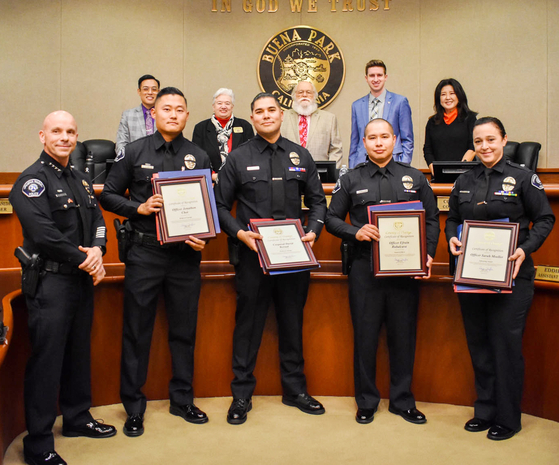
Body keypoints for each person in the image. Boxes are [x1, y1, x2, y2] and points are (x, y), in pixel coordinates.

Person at [100, 87, 211, 437]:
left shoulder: (200, 155)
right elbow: (109, 196)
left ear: (187, 115)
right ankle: (134, 408)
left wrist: (203, 237)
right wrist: (139, 208)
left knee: (184, 331)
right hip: (144, 252)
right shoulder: (134, 151)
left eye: (180, 109)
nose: (174, 114)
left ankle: (182, 399)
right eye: (167, 108)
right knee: (137, 331)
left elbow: (208, 207)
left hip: (183, 258)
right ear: (155, 113)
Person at [9, 111, 116, 465]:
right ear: (42, 136)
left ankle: (76, 417)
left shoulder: (81, 179)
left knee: (77, 353)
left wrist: (98, 250)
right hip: (51, 282)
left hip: (80, 281)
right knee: (47, 361)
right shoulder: (31, 181)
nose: (65, 137)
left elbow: (99, 221)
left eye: (70, 132)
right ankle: (38, 442)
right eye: (57, 131)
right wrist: (86, 259)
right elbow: (44, 235)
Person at [215, 93, 327, 425]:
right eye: (259, 111)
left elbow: (318, 202)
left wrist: (314, 231)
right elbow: (220, 207)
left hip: (294, 257)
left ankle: (295, 390)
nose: (266, 116)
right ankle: (241, 396)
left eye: (271, 110)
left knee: (292, 323)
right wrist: (239, 233)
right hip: (253, 256)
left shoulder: (300, 154)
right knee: (247, 326)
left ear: (281, 114)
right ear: (252, 118)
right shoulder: (237, 158)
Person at [445, 117, 555, 440]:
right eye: (478, 142)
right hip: (472, 276)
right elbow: (452, 218)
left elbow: (545, 220)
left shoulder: (523, 178)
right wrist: (452, 238)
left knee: (505, 346)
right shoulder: (464, 180)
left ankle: (508, 418)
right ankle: (485, 410)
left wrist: (525, 248)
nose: (485, 147)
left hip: (513, 276)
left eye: (491, 140)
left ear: (504, 140)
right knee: (478, 344)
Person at [326, 118, 439, 425]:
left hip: (405, 272)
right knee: (365, 338)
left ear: (394, 140)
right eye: (372, 137)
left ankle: (403, 401)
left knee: (403, 337)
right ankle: (366, 401)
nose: (378, 142)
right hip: (365, 269)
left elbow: (431, 219)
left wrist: (428, 253)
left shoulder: (414, 178)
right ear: (364, 143)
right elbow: (331, 218)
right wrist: (355, 231)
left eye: (384, 137)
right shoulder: (351, 179)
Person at [349, 60, 414, 168]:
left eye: (379, 75)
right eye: (372, 75)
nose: (375, 79)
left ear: (385, 77)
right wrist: (352, 169)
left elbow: (407, 139)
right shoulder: (357, 105)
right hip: (363, 164)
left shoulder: (400, 102)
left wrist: (403, 166)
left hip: (393, 163)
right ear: (366, 78)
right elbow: (354, 142)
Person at [192, 88, 254, 180]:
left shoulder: (245, 127)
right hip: (211, 182)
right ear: (213, 106)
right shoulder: (201, 128)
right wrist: (212, 176)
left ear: (232, 106)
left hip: (240, 182)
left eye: (227, 103)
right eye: (219, 103)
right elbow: (197, 158)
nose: (223, 106)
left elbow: (251, 156)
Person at [281, 80, 343, 167]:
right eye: (300, 92)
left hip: (319, 175)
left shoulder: (329, 119)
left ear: (315, 96)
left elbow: (336, 150)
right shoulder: (282, 117)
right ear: (294, 96)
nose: (304, 95)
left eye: (309, 92)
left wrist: (330, 174)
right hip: (289, 173)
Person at [423, 78, 477, 175]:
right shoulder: (432, 122)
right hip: (439, 175)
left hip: (465, 175)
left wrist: (460, 171)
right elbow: (427, 150)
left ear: (459, 96)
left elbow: (473, 147)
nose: (448, 98)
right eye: (443, 94)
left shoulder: (470, 119)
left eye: (452, 93)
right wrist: (435, 171)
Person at [116, 74, 160, 154]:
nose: (150, 92)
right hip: (134, 163)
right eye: (146, 89)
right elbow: (121, 145)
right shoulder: (128, 115)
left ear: (158, 92)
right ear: (139, 91)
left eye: (154, 89)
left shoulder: (165, 115)